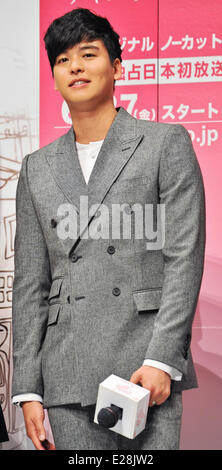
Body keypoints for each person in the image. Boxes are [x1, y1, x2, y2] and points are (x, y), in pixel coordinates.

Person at [11, 8, 205, 450]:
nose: (75, 66)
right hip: (67, 367)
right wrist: (27, 388)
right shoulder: (37, 168)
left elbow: (184, 257)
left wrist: (162, 359)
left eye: (88, 54)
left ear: (117, 67)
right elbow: (30, 283)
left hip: (145, 366)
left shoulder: (163, 143)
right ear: (55, 76)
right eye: (62, 59)